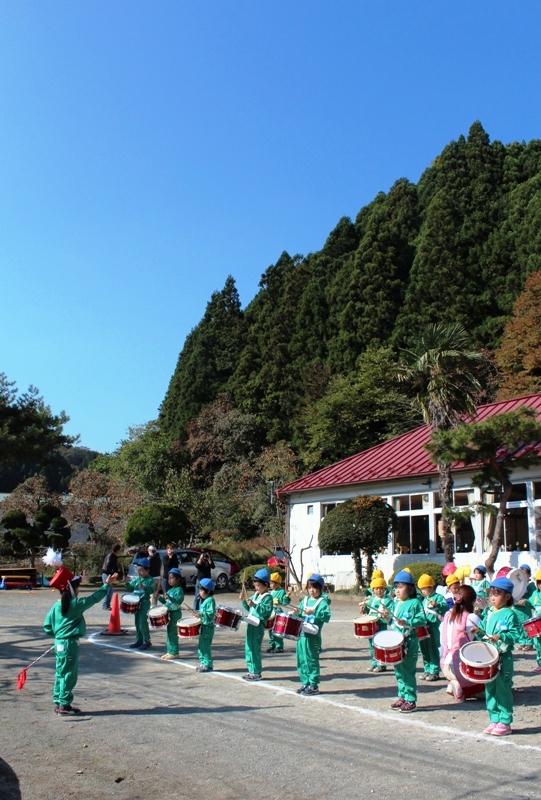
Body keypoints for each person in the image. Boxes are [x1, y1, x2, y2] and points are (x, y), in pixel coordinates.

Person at [43, 558, 117, 715]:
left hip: (59, 643)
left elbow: (47, 626)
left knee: (60, 672)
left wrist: (58, 636)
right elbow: (94, 599)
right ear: (71, 589)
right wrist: (107, 585)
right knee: (69, 673)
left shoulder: (56, 606)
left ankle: (58, 701)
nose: (79, 591)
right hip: (69, 644)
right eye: (77, 587)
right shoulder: (75, 605)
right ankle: (64, 705)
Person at [471, 576, 522, 736]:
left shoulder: (510, 614)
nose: (492, 598)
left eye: (496, 594)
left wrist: (500, 637)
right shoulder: (490, 612)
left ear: (507, 597)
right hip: (489, 657)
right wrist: (477, 630)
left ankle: (505, 721)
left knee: (503, 689)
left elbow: (515, 634)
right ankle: (494, 719)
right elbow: (484, 627)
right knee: (490, 688)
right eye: (491, 594)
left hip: (503, 658)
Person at [385, 570, 425, 713]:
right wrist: (387, 618)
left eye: (401, 587)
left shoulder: (415, 603)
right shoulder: (396, 603)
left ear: (410, 588)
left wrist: (407, 621)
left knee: (408, 671)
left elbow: (422, 620)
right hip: (397, 642)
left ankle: (410, 699)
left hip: (409, 641)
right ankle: (402, 695)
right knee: (399, 671)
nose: (397, 590)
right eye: (395, 587)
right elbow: (393, 622)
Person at [440, 584, 483, 701]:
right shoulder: (472, 617)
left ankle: (452, 683)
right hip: (461, 668)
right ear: (472, 601)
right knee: (485, 689)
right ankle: (460, 686)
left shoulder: (448, 615)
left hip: (444, 664)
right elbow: (484, 636)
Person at [296, 573, 331, 695]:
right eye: (310, 587)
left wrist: (314, 612)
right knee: (301, 659)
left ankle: (314, 684)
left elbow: (327, 617)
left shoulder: (322, 602)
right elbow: (300, 615)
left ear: (321, 589)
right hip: (301, 635)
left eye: (315, 588)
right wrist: (296, 613)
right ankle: (305, 682)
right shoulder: (305, 600)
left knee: (311, 659)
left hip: (313, 636)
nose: (312, 590)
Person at [240, 568, 274, 681]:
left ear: (265, 585)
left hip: (258, 626)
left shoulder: (268, 597)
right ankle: (251, 670)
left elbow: (266, 611)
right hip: (251, 624)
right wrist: (244, 600)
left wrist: (255, 605)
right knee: (248, 648)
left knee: (254, 649)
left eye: (258, 585)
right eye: (255, 585)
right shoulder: (256, 595)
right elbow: (248, 607)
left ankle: (256, 672)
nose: (256, 587)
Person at [418, 573, 448, 681]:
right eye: (421, 589)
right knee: (424, 649)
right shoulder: (423, 600)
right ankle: (427, 670)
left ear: (431, 587)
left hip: (433, 627)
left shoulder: (438, 597)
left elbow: (445, 608)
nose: (422, 592)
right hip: (423, 627)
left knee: (433, 649)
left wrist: (437, 605)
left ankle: (434, 671)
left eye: (424, 589)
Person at [361, 576, 393, 672]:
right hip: (372, 626)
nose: (379, 591)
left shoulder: (388, 600)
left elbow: (391, 612)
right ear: (373, 589)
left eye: (381, 588)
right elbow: (369, 611)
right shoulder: (372, 599)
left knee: (381, 645)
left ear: (385, 589)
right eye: (376, 589)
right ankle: (374, 662)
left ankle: (381, 663)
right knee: (372, 645)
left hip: (381, 625)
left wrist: (386, 615)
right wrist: (364, 609)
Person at [125, 558, 154, 650]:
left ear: (147, 570)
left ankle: (147, 641)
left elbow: (151, 590)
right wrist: (126, 583)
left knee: (142, 622)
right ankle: (139, 640)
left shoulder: (150, 580)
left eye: (142, 570)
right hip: (136, 603)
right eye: (138, 571)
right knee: (137, 622)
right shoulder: (137, 580)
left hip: (144, 602)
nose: (140, 573)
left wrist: (145, 587)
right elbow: (130, 588)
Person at [159, 568, 184, 660]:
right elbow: (165, 602)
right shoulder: (170, 591)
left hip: (175, 613)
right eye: (168, 578)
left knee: (173, 633)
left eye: (172, 578)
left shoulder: (179, 590)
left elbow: (178, 601)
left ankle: (174, 652)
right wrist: (159, 598)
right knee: (169, 633)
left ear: (178, 579)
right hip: (169, 613)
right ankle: (169, 651)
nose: (169, 580)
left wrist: (170, 597)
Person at [267, 572, 290, 653]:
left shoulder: (281, 591)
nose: (270, 585)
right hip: (270, 613)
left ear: (277, 583)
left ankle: (279, 646)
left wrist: (286, 597)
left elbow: (284, 602)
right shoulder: (270, 592)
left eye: (271, 583)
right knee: (270, 630)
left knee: (277, 630)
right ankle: (272, 645)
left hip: (277, 612)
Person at [196, 578, 216, 672]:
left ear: (208, 591)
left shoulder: (210, 600)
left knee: (205, 646)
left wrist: (202, 614)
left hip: (208, 627)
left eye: (201, 590)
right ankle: (203, 663)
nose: (199, 592)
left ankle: (207, 664)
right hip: (203, 626)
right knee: (201, 646)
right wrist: (197, 614)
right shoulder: (204, 601)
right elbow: (202, 612)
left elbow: (211, 613)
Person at [515, 564, 535, 651]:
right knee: (518, 626)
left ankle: (529, 643)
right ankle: (522, 642)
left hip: (525, 610)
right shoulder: (516, 584)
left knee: (527, 626)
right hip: (516, 608)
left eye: (525, 573)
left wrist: (526, 601)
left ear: (529, 575)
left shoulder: (531, 585)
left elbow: (534, 597)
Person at [101, 543, 122, 610]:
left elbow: (114, 567)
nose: (120, 551)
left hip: (108, 574)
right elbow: (108, 566)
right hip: (107, 574)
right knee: (108, 590)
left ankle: (106, 605)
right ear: (117, 550)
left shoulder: (114, 556)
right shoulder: (111, 556)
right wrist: (113, 573)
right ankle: (105, 605)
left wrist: (116, 572)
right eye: (119, 549)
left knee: (110, 590)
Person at [528, 570, 541, 674]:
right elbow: (530, 603)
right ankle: (540, 664)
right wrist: (525, 602)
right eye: (540, 583)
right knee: (538, 644)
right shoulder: (535, 594)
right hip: (537, 625)